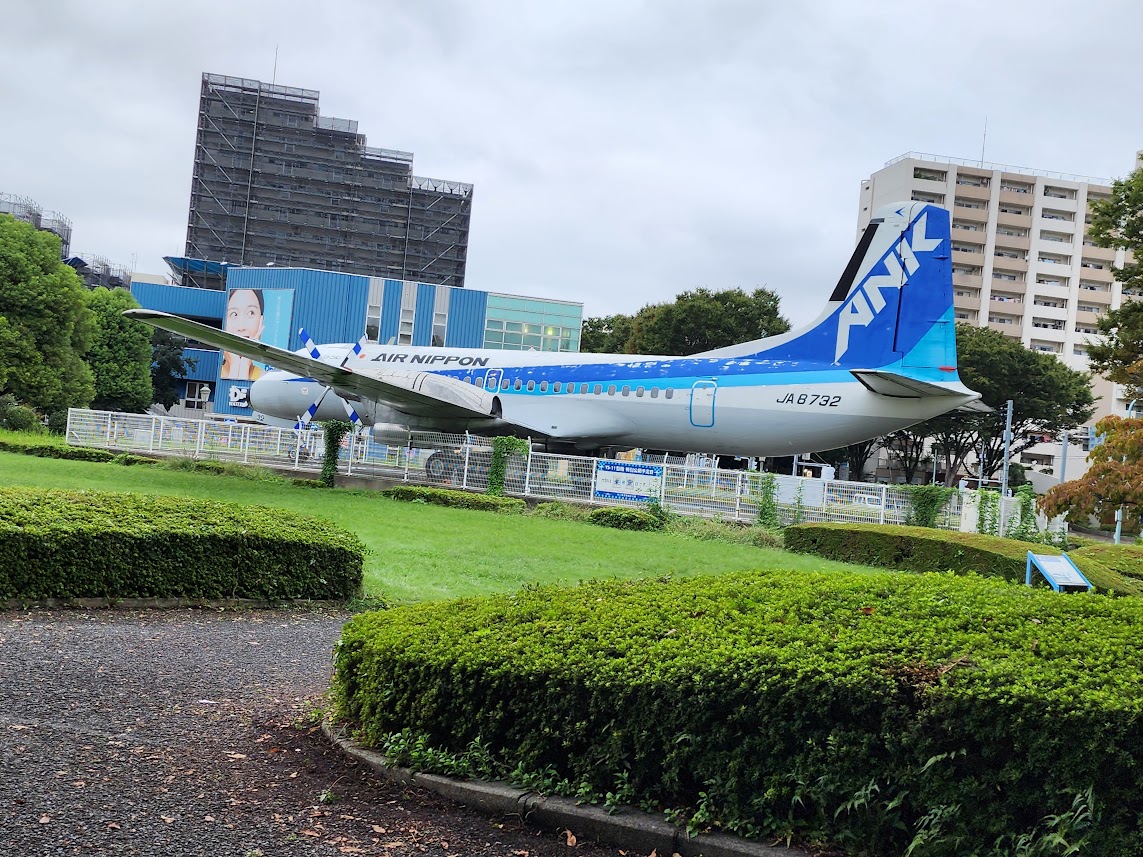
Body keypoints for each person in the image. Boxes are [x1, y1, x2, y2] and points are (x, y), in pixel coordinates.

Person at [220, 288, 265, 380]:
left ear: (261, 321)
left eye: (251, 313)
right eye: (234, 314)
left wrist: (244, 365)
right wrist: (235, 365)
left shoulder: (266, 380)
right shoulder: (213, 373)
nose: (241, 327)